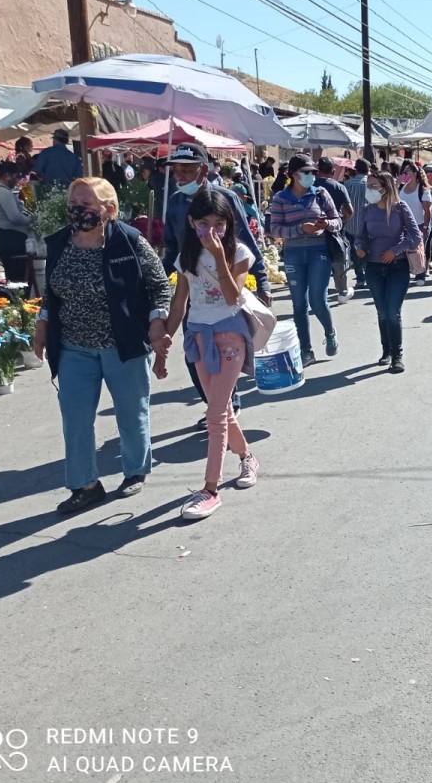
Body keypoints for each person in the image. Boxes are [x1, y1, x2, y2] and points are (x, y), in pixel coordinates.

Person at [32, 177, 171, 514]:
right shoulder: (60, 243)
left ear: (109, 209)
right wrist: (41, 325)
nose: (78, 211)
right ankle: (85, 484)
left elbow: (159, 287)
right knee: (75, 418)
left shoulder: (129, 241)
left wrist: (157, 322)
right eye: (74, 204)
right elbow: (52, 292)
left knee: (130, 411)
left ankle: (135, 470)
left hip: (121, 343)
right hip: (73, 346)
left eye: (87, 205)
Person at [156, 189, 260, 521]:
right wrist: (164, 341)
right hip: (199, 336)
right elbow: (180, 303)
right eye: (204, 223)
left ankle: (210, 490)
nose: (212, 231)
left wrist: (218, 257)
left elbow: (232, 296)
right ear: (191, 222)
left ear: (230, 224)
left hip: (230, 335)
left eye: (220, 224)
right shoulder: (186, 256)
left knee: (215, 413)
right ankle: (247, 458)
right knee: (222, 408)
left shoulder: (239, 252)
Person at [160, 143, 269, 423]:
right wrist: (160, 276)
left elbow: (246, 240)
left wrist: (263, 281)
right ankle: (217, 405)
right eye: (177, 171)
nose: (180, 176)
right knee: (193, 353)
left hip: (227, 286)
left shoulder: (226, 198)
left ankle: (225, 406)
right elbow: (173, 247)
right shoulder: (174, 202)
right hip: (195, 288)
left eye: (187, 170)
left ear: (204, 170)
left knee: (227, 352)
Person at [269, 153, 342, 366]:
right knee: (299, 304)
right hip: (293, 255)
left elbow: (337, 219)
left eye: (313, 172)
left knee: (317, 300)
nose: (311, 176)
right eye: (306, 172)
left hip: (318, 251)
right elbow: (275, 229)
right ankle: (306, 350)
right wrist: (300, 228)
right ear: (293, 174)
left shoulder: (320, 194)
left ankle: (329, 332)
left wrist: (326, 224)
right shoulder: (280, 198)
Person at [354, 170, 422, 373]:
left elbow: (415, 236)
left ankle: (397, 355)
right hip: (373, 267)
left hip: (398, 267)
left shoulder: (400, 207)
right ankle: (386, 351)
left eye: (373, 186)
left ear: (385, 187)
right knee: (382, 312)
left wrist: (395, 250)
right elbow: (360, 236)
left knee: (393, 312)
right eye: (368, 186)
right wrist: (359, 247)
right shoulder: (367, 210)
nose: (370, 190)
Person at [314, 157, 355, 303]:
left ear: (317, 171)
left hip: (314, 230)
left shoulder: (310, 186)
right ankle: (342, 291)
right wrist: (341, 221)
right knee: (339, 261)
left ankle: (317, 292)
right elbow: (349, 210)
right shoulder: (339, 187)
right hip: (335, 231)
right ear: (332, 171)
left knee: (317, 263)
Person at [0, 159, 35, 283]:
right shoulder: (3, 193)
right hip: (11, 238)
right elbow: (14, 217)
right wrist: (31, 219)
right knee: (18, 277)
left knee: (13, 275)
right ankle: (20, 300)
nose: (17, 180)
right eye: (16, 176)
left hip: (5, 238)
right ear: (7, 175)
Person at [398, 161, 432, 287]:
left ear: (415, 174)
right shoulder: (401, 188)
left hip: (419, 225)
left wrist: (425, 227)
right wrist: (397, 183)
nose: (405, 175)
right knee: (404, 251)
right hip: (403, 225)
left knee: (419, 250)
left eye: (407, 172)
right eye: (403, 173)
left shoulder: (423, 189)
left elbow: (428, 210)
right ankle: (408, 272)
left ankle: (420, 274)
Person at [343, 158, 371, 289]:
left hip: (351, 223)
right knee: (368, 250)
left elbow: (343, 205)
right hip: (369, 224)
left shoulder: (348, 184)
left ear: (356, 169)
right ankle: (369, 275)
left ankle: (360, 277)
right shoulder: (372, 184)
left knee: (355, 253)